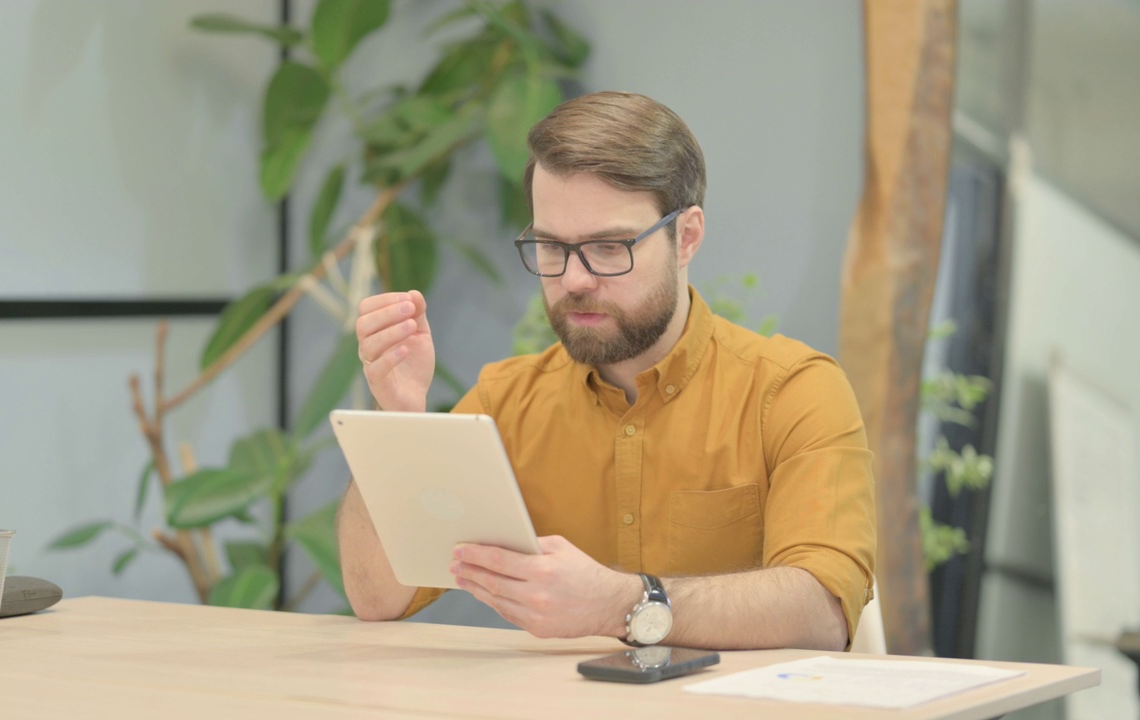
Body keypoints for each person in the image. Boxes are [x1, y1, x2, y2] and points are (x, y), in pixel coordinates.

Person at [338, 91, 876, 652]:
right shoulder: (507, 401)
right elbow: (379, 599)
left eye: (608, 247)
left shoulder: (794, 392)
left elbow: (823, 611)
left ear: (686, 237)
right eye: (551, 247)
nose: (574, 280)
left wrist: (622, 602)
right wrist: (398, 418)